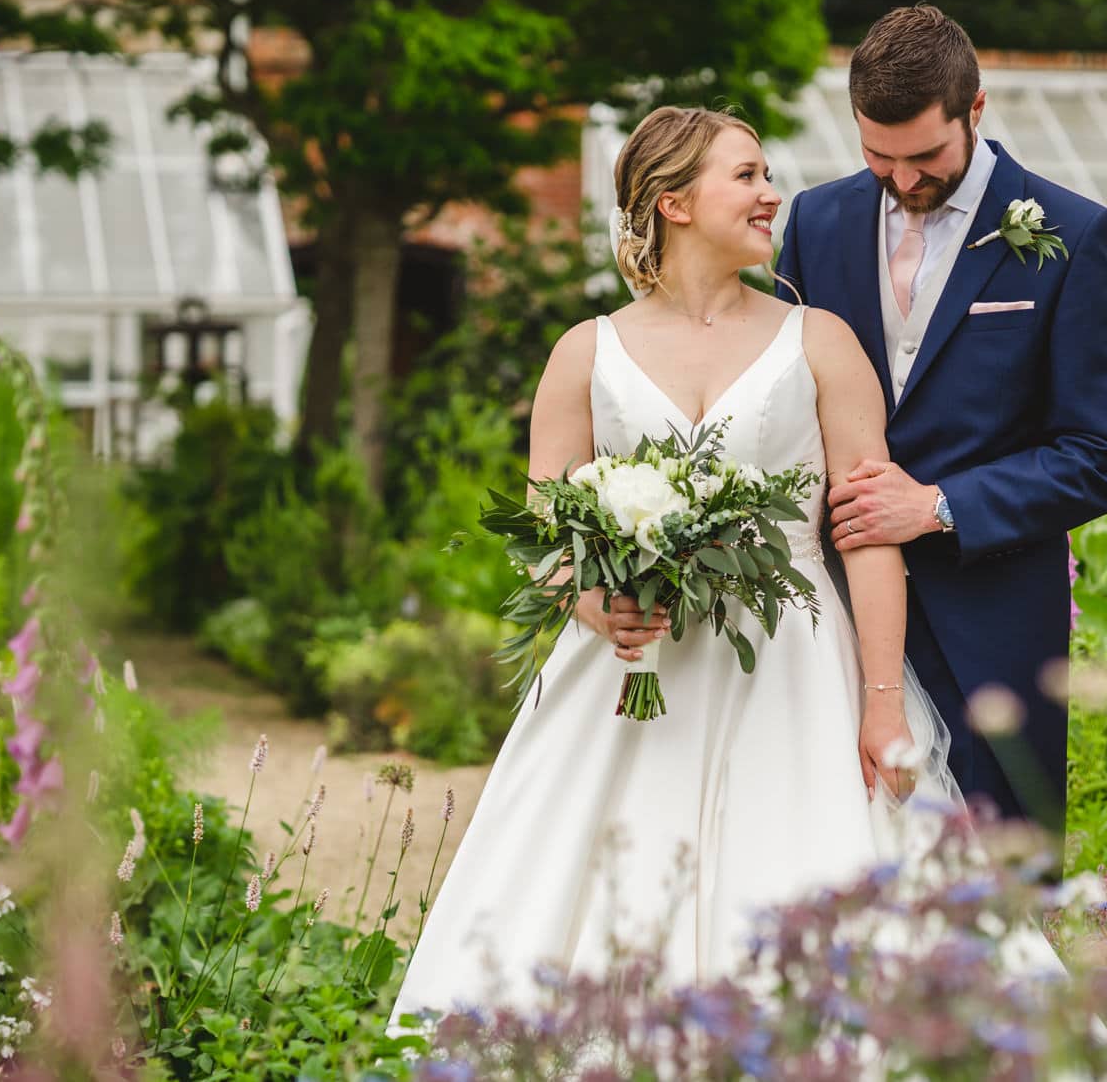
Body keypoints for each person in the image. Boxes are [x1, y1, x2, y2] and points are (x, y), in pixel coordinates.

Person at [390, 106, 968, 1028]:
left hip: (792, 667)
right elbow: (546, 531)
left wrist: (883, 700)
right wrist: (592, 604)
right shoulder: (585, 353)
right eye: (745, 176)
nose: (771, 193)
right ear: (674, 202)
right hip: (630, 676)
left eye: (765, 173)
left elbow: (866, 533)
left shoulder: (821, 343)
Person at [775, 4, 1107, 832]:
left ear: (975, 108)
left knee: (997, 892)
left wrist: (938, 505)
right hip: (831, 621)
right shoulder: (815, 222)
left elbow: (1104, 454)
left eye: (925, 156)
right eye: (878, 155)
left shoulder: (1072, 235)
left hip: (993, 630)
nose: (903, 180)